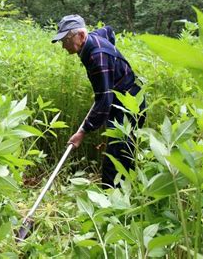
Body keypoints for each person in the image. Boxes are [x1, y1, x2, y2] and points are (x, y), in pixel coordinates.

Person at [51, 14, 145, 189]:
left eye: (65, 40)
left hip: (130, 105)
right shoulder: (93, 37)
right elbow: (109, 31)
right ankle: (126, 196)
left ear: (80, 35)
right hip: (120, 100)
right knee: (121, 155)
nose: (63, 46)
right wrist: (112, 69)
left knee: (116, 160)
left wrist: (82, 132)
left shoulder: (98, 58)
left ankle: (114, 205)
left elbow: (104, 101)